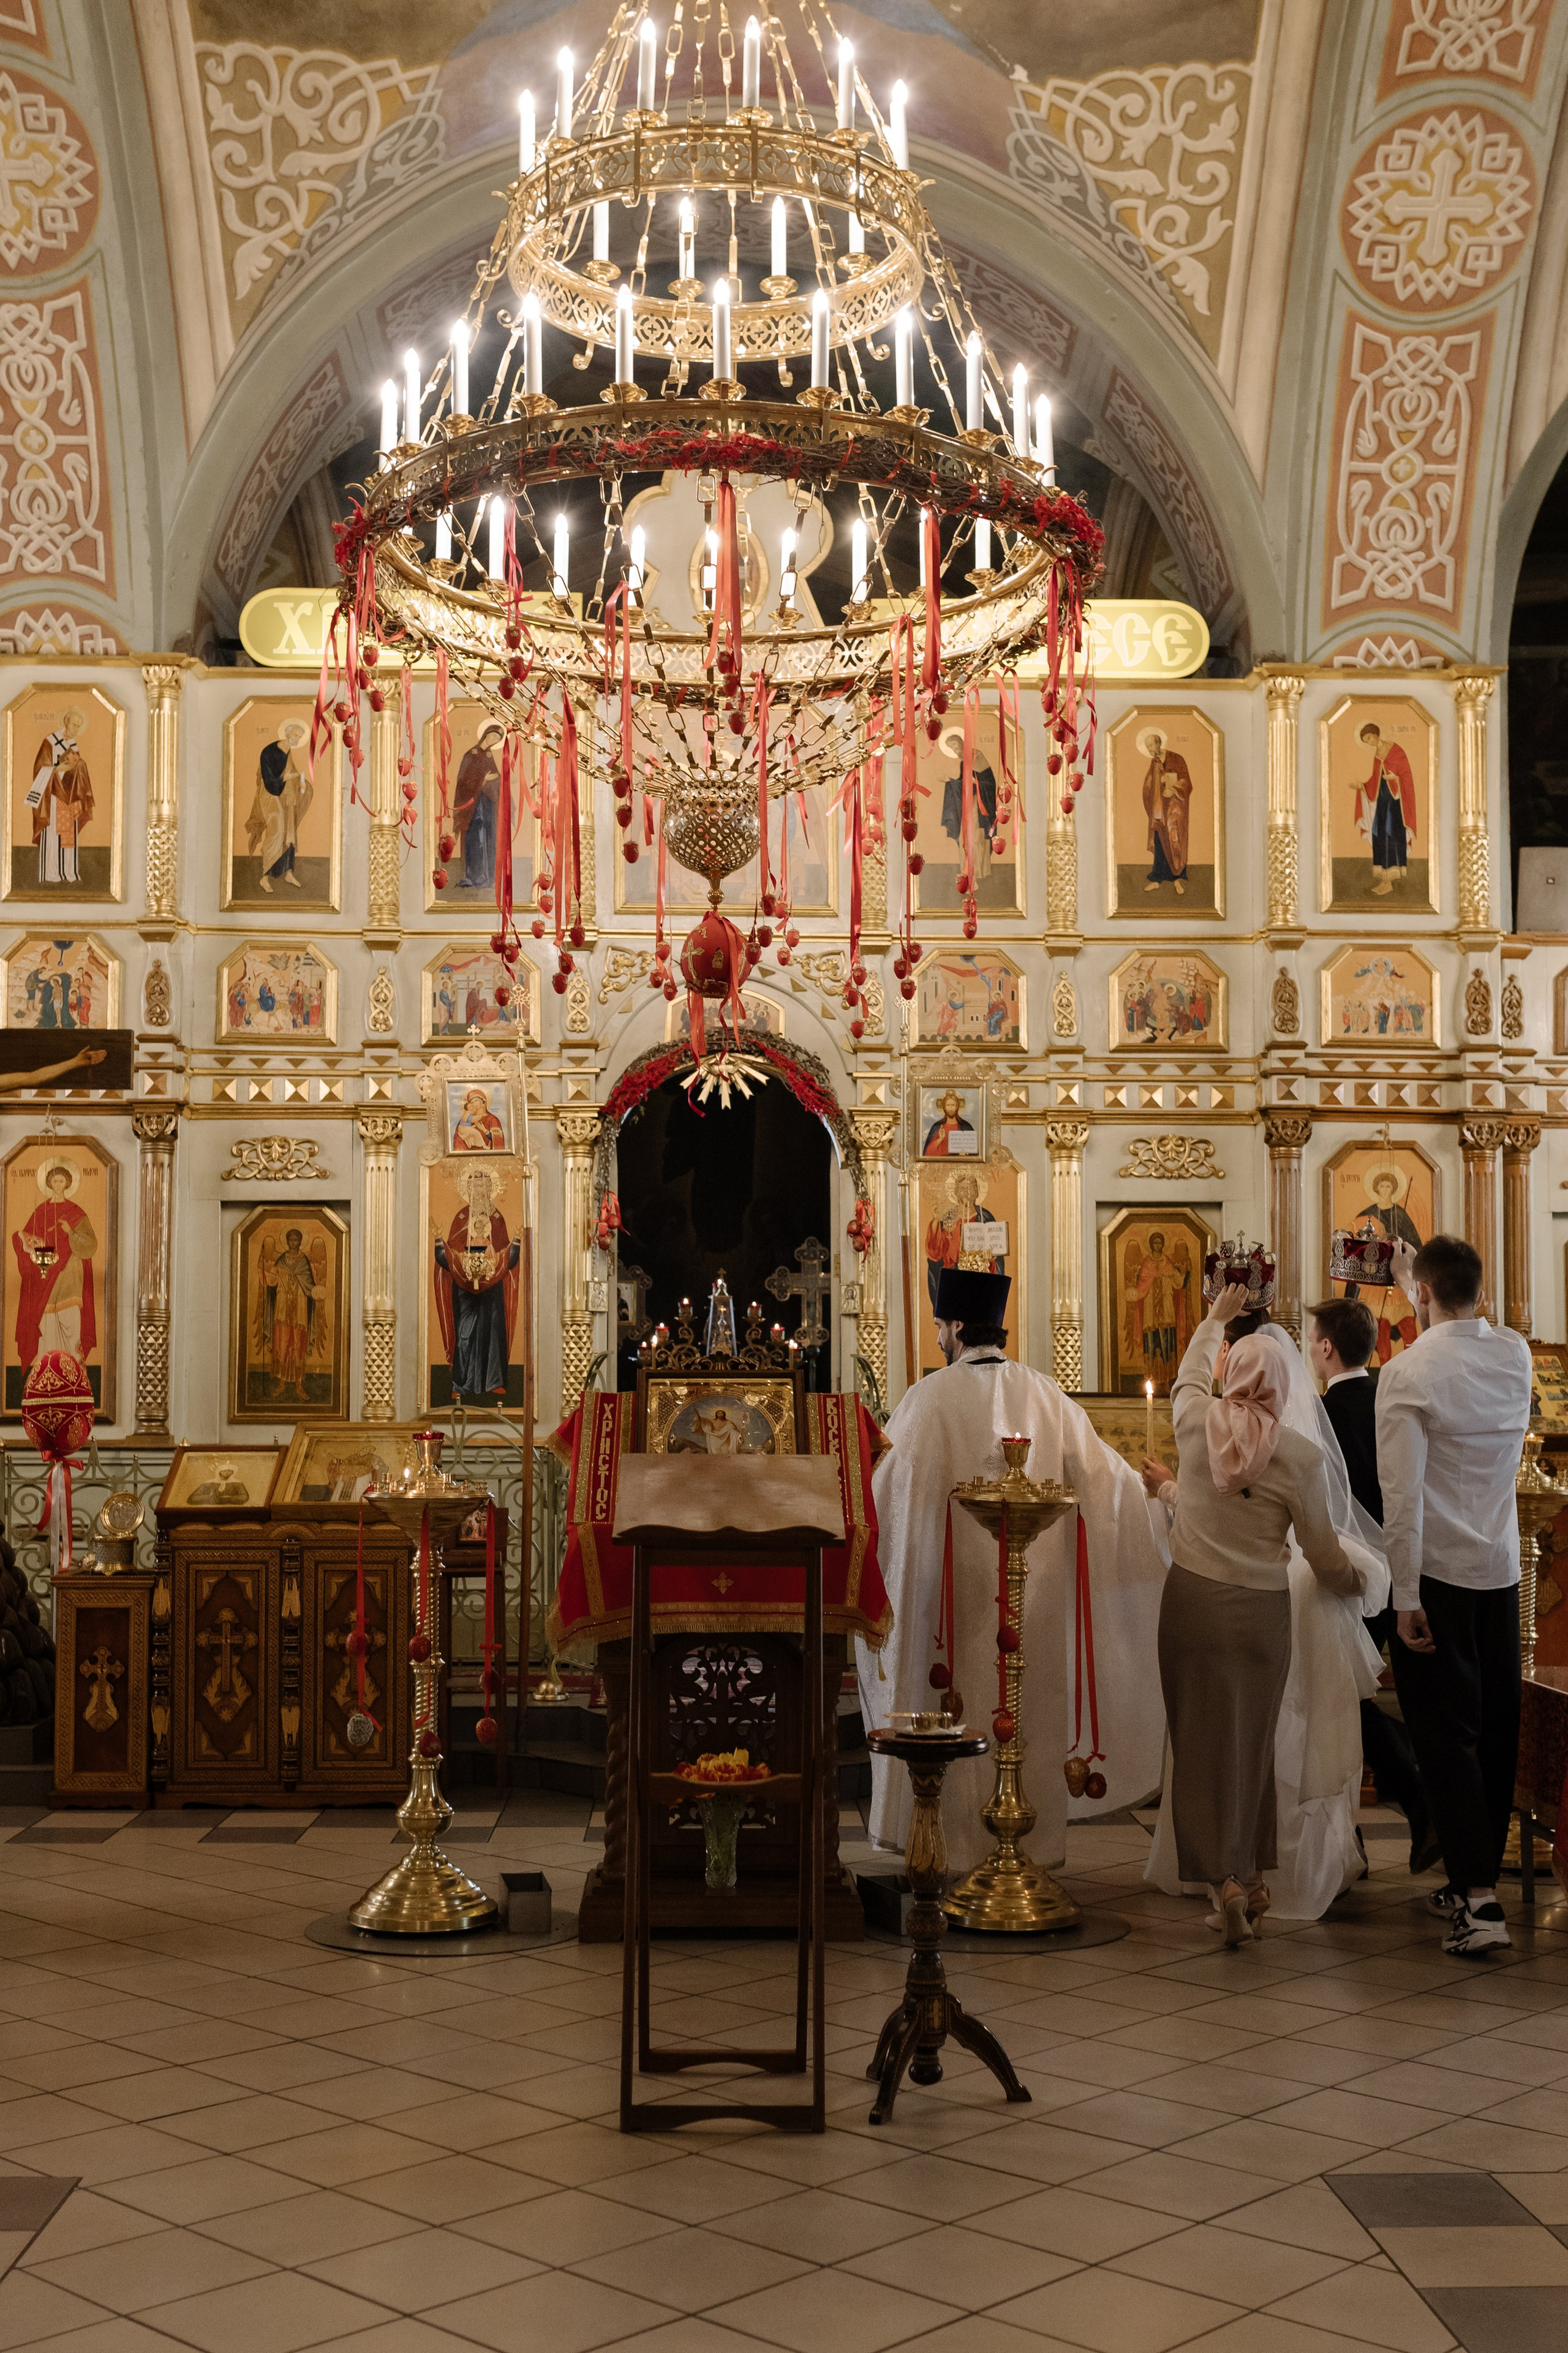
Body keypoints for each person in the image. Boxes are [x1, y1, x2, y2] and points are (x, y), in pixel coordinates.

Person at [858, 1266, 1170, 1870]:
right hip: (1036, 1604)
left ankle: (955, 1851)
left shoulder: (927, 1398)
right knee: (1029, 1705)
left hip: (949, 1614)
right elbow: (1109, 1489)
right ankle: (1026, 1852)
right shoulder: (1048, 1396)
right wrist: (1159, 1497)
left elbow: (883, 1500)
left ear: (951, 1327)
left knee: (956, 1712)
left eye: (939, 1328)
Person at [1142, 1288, 1387, 1938]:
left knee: (1197, 1745)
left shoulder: (1194, 1420)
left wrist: (1214, 1318)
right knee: (1251, 1742)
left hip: (1191, 1604)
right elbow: (1322, 1553)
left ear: (1231, 1373)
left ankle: (1221, 1880)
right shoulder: (1300, 1458)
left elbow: (1189, 1374)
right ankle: (1250, 1877)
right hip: (1260, 1615)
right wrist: (1359, 1581)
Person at [1378, 1235, 1533, 1956]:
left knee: (1443, 1736)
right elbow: (1472, 1330)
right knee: (1495, 1727)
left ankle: (1479, 1901)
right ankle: (1475, 1875)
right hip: (1499, 1570)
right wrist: (1420, 1276)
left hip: (1435, 1577)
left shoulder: (1405, 1371)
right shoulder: (1514, 1354)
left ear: (1422, 1296)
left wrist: (1402, 1593)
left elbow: (1402, 1493)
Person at [1307, 1294, 1439, 1875]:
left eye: (1312, 1340)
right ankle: (1359, 1832)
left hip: (1345, 1578)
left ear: (1328, 1347)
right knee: (1351, 1697)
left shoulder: (1319, 1415)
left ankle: (1413, 1795)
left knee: (1339, 1699)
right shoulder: (1393, 1395)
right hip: (1405, 1571)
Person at [26, 709, 92, 885]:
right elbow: (39, 768)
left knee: (68, 834)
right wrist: (56, 769)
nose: (76, 729)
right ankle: (52, 873)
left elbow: (78, 769)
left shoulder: (73, 745)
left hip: (69, 797)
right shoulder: (50, 741)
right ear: (66, 722)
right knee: (54, 834)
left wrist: (79, 768)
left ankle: (69, 872)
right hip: (54, 796)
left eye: (79, 727)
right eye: (74, 725)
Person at [245, 720, 311, 893]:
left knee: (290, 833)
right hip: (269, 796)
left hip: (285, 797)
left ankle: (288, 873)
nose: (297, 739)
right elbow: (270, 781)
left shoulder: (288, 751)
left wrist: (300, 784)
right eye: (296, 735)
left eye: (300, 737)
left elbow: (292, 774)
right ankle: (264, 877)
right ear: (287, 734)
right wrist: (286, 779)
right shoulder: (269, 752)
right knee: (276, 831)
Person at [1354, 720, 1417, 894]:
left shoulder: (1396, 750)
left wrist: (1396, 778)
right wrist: (1362, 786)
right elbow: (1375, 780)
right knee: (1379, 834)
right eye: (1366, 741)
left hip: (1395, 803)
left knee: (1391, 835)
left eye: (1369, 738)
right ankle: (1383, 880)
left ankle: (1390, 882)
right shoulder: (1377, 755)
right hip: (1382, 802)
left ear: (1376, 734)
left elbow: (1406, 776)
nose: (1370, 742)